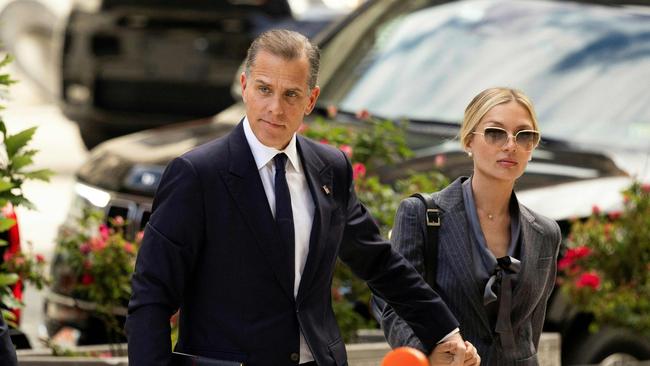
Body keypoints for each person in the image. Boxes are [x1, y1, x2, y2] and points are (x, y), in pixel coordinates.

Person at [126, 29, 480, 366]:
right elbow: (152, 296)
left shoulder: (331, 168)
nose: (275, 108)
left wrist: (445, 331)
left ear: (311, 99)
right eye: (264, 89)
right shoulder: (197, 174)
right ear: (245, 86)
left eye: (291, 94)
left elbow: (378, 262)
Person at [376, 87, 561, 365]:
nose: (510, 145)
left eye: (524, 135)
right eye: (495, 132)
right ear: (468, 140)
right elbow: (394, 305)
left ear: (532, 148)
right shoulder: (421, 215)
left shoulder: (546, 233)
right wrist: (429, 352)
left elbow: (528, 334)